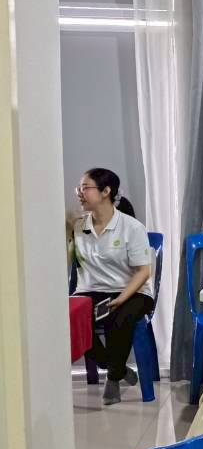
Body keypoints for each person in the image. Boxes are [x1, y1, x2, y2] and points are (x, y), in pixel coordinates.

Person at [71, 168, 154, 405]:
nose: (80, 193)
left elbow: (144, 271)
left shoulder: (131, 227)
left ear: (106, 191)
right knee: (73, 322)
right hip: (90, 291)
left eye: (85, 188)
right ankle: (115, 367)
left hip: (133, 291)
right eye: (79, 188)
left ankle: (113, 378)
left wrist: (121, 298)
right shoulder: (77, 226)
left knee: (119, 318)